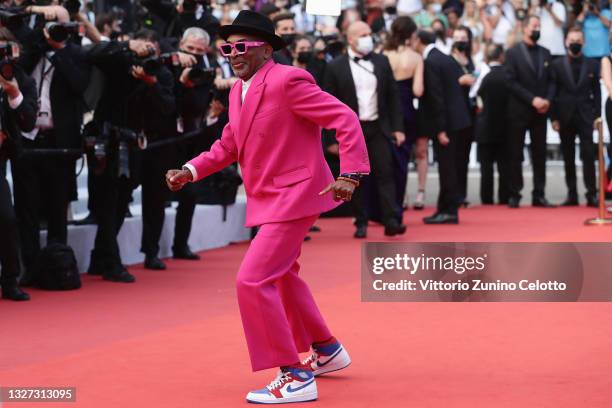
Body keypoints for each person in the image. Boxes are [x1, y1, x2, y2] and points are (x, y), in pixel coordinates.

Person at [166, 10, 369, 404]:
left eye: (242, 46)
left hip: (295, 197)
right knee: (282, 277)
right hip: (269, 198)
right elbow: (228, 146)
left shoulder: (289, 80)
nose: (233, 54)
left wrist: (352, 173)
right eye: (227, 47)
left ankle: (294, 373)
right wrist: (190, 170)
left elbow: (344, 118)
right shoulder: (238, 91)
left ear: (264, 49)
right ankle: (325, 349)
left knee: (252, 280)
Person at [323, 21, 407, 238]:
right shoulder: (335, 67)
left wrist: (398, 128)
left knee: (385, 173)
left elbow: (393, 97)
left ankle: (391, 220)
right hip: (351, 132)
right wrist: (332, 138)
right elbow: (328, 105)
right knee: (355, 177)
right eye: (364, 34)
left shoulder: (382, 61)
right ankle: (361, 221)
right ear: (350, 39)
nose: (369, 37)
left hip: (379, 127)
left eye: (369, 33)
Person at [412, 29, 472, 224]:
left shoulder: (431, 61)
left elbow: (437, 98)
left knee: (447, 168)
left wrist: (440, 129)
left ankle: (449, 211)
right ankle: (444, 209)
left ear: (419, 41)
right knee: (450, 167)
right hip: (457, 120)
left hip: (447, 123)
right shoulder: (444, 58)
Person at [0, 35, 37, 301]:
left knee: (7, 219)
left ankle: (10, 280)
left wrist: (14, 95)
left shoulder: (19, 78)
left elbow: (28, 122)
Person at [504, 15, 555, 208]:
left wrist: (547, 100)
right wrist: (532, 99)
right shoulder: (512, 53)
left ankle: (539, 194)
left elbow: (552, 81)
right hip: (518, 111)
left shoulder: (546, 53)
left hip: (540, 112)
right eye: (534, 26)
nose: (537, 29)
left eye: (539, 26)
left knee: (540, 153)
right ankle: (515, 193)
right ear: (524, 28)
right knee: (515, 153)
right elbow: (510, 82)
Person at [550, 26, 599, 207]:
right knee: (568, 157)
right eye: (572, 41)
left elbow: (597, 93)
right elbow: (552, 94)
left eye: (578, 41)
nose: (575, 44)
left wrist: (597, 116)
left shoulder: (593, 64)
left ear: (584, 43)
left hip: (586, 117)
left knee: (588, 156)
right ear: (565, 42)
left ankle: (591, 194)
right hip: (565, 117)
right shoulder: (556, 65)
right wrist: (553, 118)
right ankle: (572, 194)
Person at [383, 16, 425, 211]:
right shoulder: (416, 58)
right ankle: (401, 199)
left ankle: (388, 202)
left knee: (385, 158)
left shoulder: (383, 54)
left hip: (386, 111)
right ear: (411, 34)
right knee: (404, 157)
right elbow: (418, 91)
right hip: (407, 110)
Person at [476, 43, 510, 204]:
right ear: (501, 56)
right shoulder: (508, 76)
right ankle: (504, 197)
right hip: (504, 127)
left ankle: (487, 198)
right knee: (504, 167)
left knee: (486, 168)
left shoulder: (482, 75)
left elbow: (475, 96)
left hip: (485, 127)